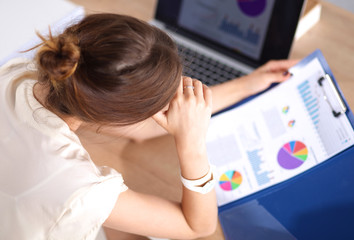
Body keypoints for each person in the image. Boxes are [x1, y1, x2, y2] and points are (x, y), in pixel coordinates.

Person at [0, 13, 297, 240]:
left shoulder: (24, 74)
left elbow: (137, 129)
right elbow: (198, 227)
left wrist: (249, 84)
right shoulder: (79, 189)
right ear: (115, 115)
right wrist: (191, 143)